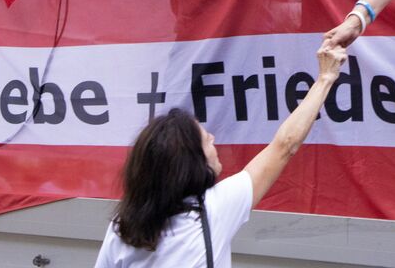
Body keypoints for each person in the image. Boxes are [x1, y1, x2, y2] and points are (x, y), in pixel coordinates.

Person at [94, 46, 346, 267]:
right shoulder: (214, 210)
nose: (213, 138)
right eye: (206, 139)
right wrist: (325, 77)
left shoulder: (123, 226)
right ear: (189, 165)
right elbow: (285, 145)